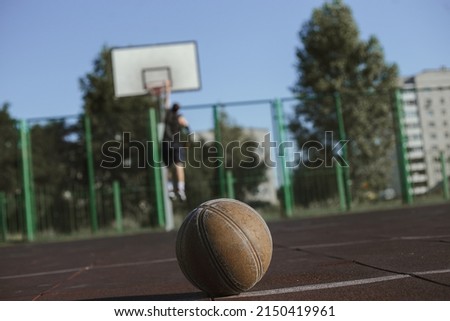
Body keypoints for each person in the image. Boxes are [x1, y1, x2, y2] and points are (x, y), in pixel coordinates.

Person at [161, 82, 190, 201]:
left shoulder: (170, 115)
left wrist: (167, 91)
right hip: (174, 143)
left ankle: (172, 189)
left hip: (168, 143)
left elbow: (166, 103)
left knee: (170, 167)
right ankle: (179, 189)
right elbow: (186, 125)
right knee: (177, 166)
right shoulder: (176, 116)